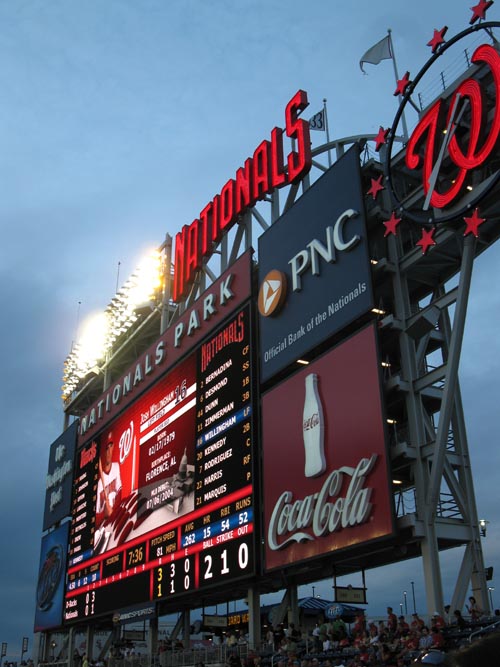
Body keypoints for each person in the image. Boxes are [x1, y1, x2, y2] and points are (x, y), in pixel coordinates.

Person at [95, 432, 122, 532]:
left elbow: (120, 492)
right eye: (106, 448)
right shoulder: (99, 485)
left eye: (111, 446)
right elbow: (95, 519)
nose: (109, 451)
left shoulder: (116, 467)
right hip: (105, 530)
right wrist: (104, 514)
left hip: (116, 520)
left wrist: (114, 509)